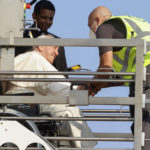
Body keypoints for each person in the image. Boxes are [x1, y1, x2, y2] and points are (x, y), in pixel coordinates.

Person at [6, 35, 97, 148]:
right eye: (54, 48)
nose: (57, 53)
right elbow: (58, 87)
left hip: (27, 104)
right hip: (29, 105)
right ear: (40, 46)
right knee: (71, 112)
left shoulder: (27, 58)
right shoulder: (35, 58)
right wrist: (81, 89)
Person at [88, 6, 150, 150]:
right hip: (142, 78)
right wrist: (100, 84)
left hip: (146, 80)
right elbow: (122, 77)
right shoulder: (129, 26)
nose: (91, 32)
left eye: (90, 26)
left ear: (97, 20)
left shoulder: (104, 28)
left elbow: (106, 67)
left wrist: (91, 85)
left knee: (144, 135)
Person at [16, 0, 67, 72]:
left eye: (50, 19)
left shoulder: (57, 41)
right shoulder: (22, 37)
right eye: (44, 17)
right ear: (34, 16)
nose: (47, 22)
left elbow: (62, 73)